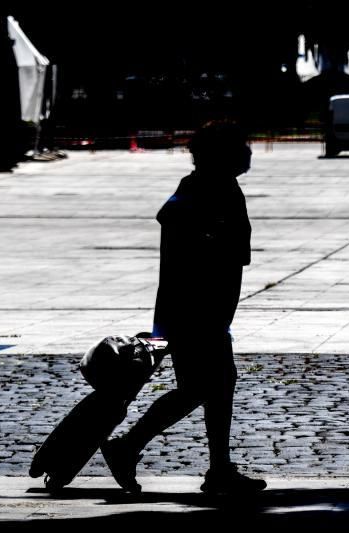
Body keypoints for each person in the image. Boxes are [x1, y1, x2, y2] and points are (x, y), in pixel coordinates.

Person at [101, 121, 266, 496]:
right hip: (194, 311)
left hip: (207, 311)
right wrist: (212, 238)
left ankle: (217, 468)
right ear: (221, 153)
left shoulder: (220, 186)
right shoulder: (201, 189)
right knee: (201, 388)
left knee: (217, 387)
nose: (249, 151)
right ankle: (129, 446)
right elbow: (174, 220)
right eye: (241, 145)